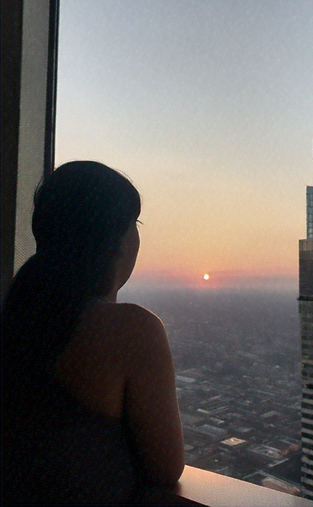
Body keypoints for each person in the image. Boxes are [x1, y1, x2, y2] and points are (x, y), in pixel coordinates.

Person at [2, 161, 185, 504]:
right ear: (116, 239)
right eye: (135, 222)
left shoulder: (18, 313)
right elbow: (165, 468)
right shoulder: (133, 331)